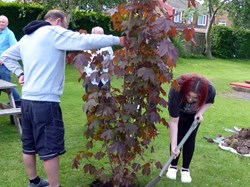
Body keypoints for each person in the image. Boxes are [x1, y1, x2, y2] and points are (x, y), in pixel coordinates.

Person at [0, 9, 125, 187]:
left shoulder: (28, 37)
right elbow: (85, 40)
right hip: (46, 102)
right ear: (58, 21)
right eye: (66, 25)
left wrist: (20, 73)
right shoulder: (53, 32)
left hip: (27, 101)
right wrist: (117, 40)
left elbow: (5, 56)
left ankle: (34, 181)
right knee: (50, 148)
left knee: (29, 144)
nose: (65, 29)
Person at [166, 73, 216, 183]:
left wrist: (200, 113)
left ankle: (185, 169)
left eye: (194, 98)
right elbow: (173, 121)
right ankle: (173, 166)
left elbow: (209, 102)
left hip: (194, 116)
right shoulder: (176, 89)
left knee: (190, 139)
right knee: (177, 138)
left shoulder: (210, 89)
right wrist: (174, 145)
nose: (190, 99)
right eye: (188, 95)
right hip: (178, 113)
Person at [76, 26, 114, 93]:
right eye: (96, 36)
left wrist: (108, 76)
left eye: (100, 36)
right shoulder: (86, 47)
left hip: (104, 80)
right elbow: (78, 64)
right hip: (90, 79)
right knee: (91, 102)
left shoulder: (108, 47)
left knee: (105, 102)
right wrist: (84, 76)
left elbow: (112, 63)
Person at [0, 15, 21, 103]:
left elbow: (15, 48)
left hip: (4, 64)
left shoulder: (9, 34)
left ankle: (18, 102)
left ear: (7, 23)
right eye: (0, 21)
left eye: (3, 22)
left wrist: (2, 59)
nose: (1, 23)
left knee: (7, 85)